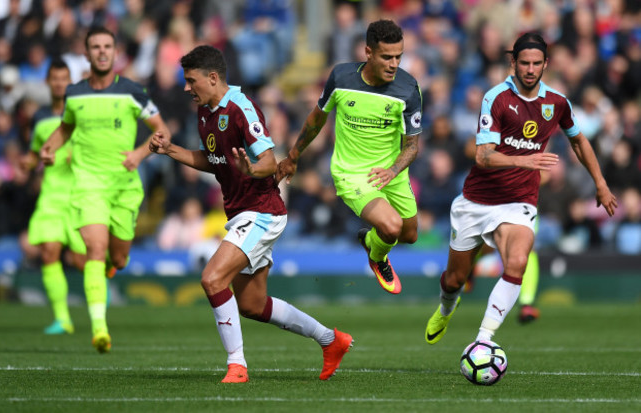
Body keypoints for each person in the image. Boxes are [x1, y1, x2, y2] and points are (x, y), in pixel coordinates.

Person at [149, 45, 353, 383]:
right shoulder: (205, 112)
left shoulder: (242, 109)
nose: (187, 88)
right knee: (253, 305)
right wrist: (170, 149)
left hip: (261, 212)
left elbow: (270, 163)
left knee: (212, 278)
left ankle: (237, 365)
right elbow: (211, 160)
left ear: (212, 78)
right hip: (241, 213)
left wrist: (251, 169)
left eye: (191, 80)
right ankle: (331, 340)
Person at [424, 32, 617, 346]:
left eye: (536, 63)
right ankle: (446, 308)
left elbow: (579, 141)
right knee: (454, 279)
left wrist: (600, 183)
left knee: (517, 262)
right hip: (477, 201)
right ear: (513, 62)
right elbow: (483, 155)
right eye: (523, 62)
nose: (529, 69)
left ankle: (484, 340)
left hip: (519, 202)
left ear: (545, 65)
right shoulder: (496, 97)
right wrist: (526, 161)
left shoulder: (557, 103)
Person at [40, 26, 171, 353]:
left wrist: (140, 154)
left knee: (120, 258)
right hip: (88, 185)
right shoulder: (75, 93)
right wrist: (50, 147)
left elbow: (162, 130)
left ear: (115, 53)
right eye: (95, 46)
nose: (101, 51)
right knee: (94, 251)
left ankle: (114, 266)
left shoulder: (133, 91)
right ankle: (100, 330)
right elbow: (65, 127)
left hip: (124, 187)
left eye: (107, 46)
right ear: (86, 54)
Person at [277, 19, 423, 294]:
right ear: (368, 52)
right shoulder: (342, 78)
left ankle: (370, 242)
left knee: (410, 235)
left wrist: (392, 171)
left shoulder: (408, 89)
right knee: (391, 228)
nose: (394, 64)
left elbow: (412, 146)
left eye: (398, 57)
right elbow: (317, 118)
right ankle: (377, 257)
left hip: (392, 172)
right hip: (352, 172)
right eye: (387, 57)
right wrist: (293, 155)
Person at [21, 58, 86, 335]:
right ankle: (62, 318)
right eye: (55, 78)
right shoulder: (39, 117)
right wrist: (28, 164)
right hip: (51, 194)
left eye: (64, 78)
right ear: (48, 82)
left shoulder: (81, 112)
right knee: (49, 253)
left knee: (82, 260)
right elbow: (35, 153)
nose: (59, 83)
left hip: (79, 193)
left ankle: (102, 284)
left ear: (70, 81)